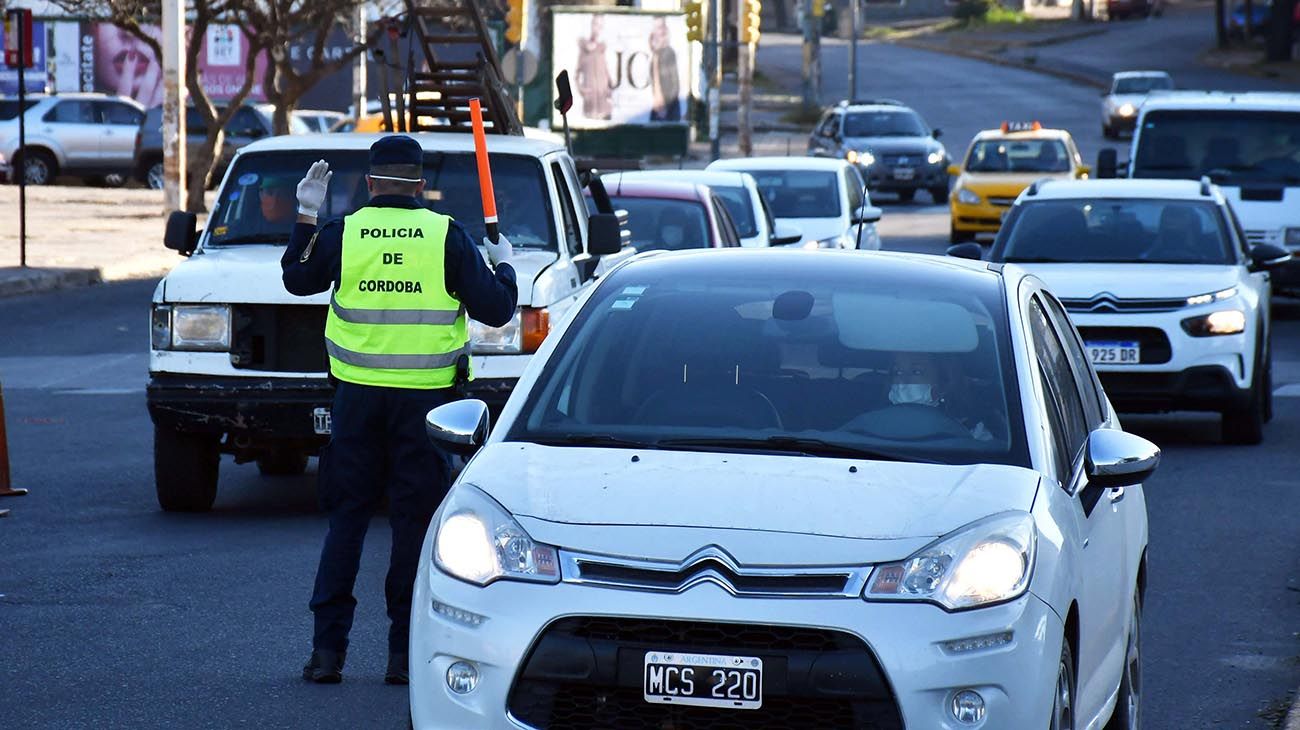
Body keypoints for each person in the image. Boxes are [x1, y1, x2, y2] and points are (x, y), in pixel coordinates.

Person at [281, 135, 518, 685]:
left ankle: (326, 655)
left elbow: (296, 278)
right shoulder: (446, 236)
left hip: (356, 402)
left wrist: (306, 214)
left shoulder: (346, 232)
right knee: (413, 526)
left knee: (347, 522)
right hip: (429, 409)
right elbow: (499, 308)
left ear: (369, 183)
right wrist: (502, 266)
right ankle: (402, 656)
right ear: (419, 185)